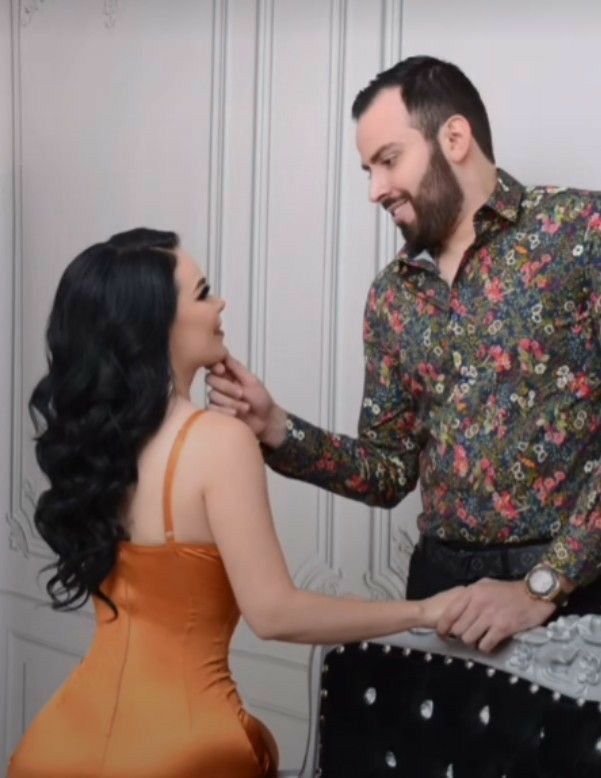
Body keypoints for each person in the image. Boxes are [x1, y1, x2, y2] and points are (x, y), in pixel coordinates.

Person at [9, 228, 463, 778]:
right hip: (181, 750)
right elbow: (274, 613)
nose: (220, 304)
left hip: (63, 740)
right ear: (157, 324)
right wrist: (423, 610)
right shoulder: (218, 441)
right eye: (202, 294)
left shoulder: (104, 446)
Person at [207, 55, 601, 654]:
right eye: (367, 169)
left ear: (455, 137)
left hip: (576, 589)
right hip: (441, 593)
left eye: (388, 160)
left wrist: (543, 585)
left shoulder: (580, 232)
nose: (374, 190)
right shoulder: (392, 296)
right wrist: (279, 429)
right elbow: (390, 471)